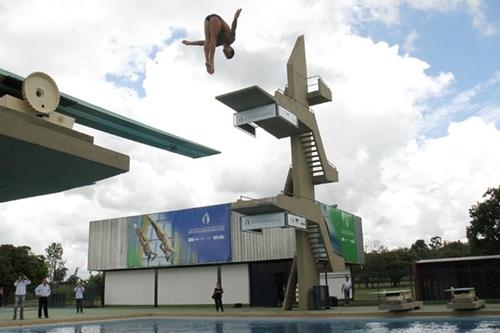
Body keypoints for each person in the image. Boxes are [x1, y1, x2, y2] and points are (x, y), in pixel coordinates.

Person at [182, 8, 242, 74]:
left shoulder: (219, 43)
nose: (225, 52)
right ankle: (211, 62)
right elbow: (233, 28)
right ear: (231, 49)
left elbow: (203, 43)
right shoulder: (231, 39)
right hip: (216, 19)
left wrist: (190, 43)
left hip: (207, 20)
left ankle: (208, 61)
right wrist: (236, 17)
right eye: (227, 53)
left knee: (207, 42)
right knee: (213, 40)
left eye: (225, 54)